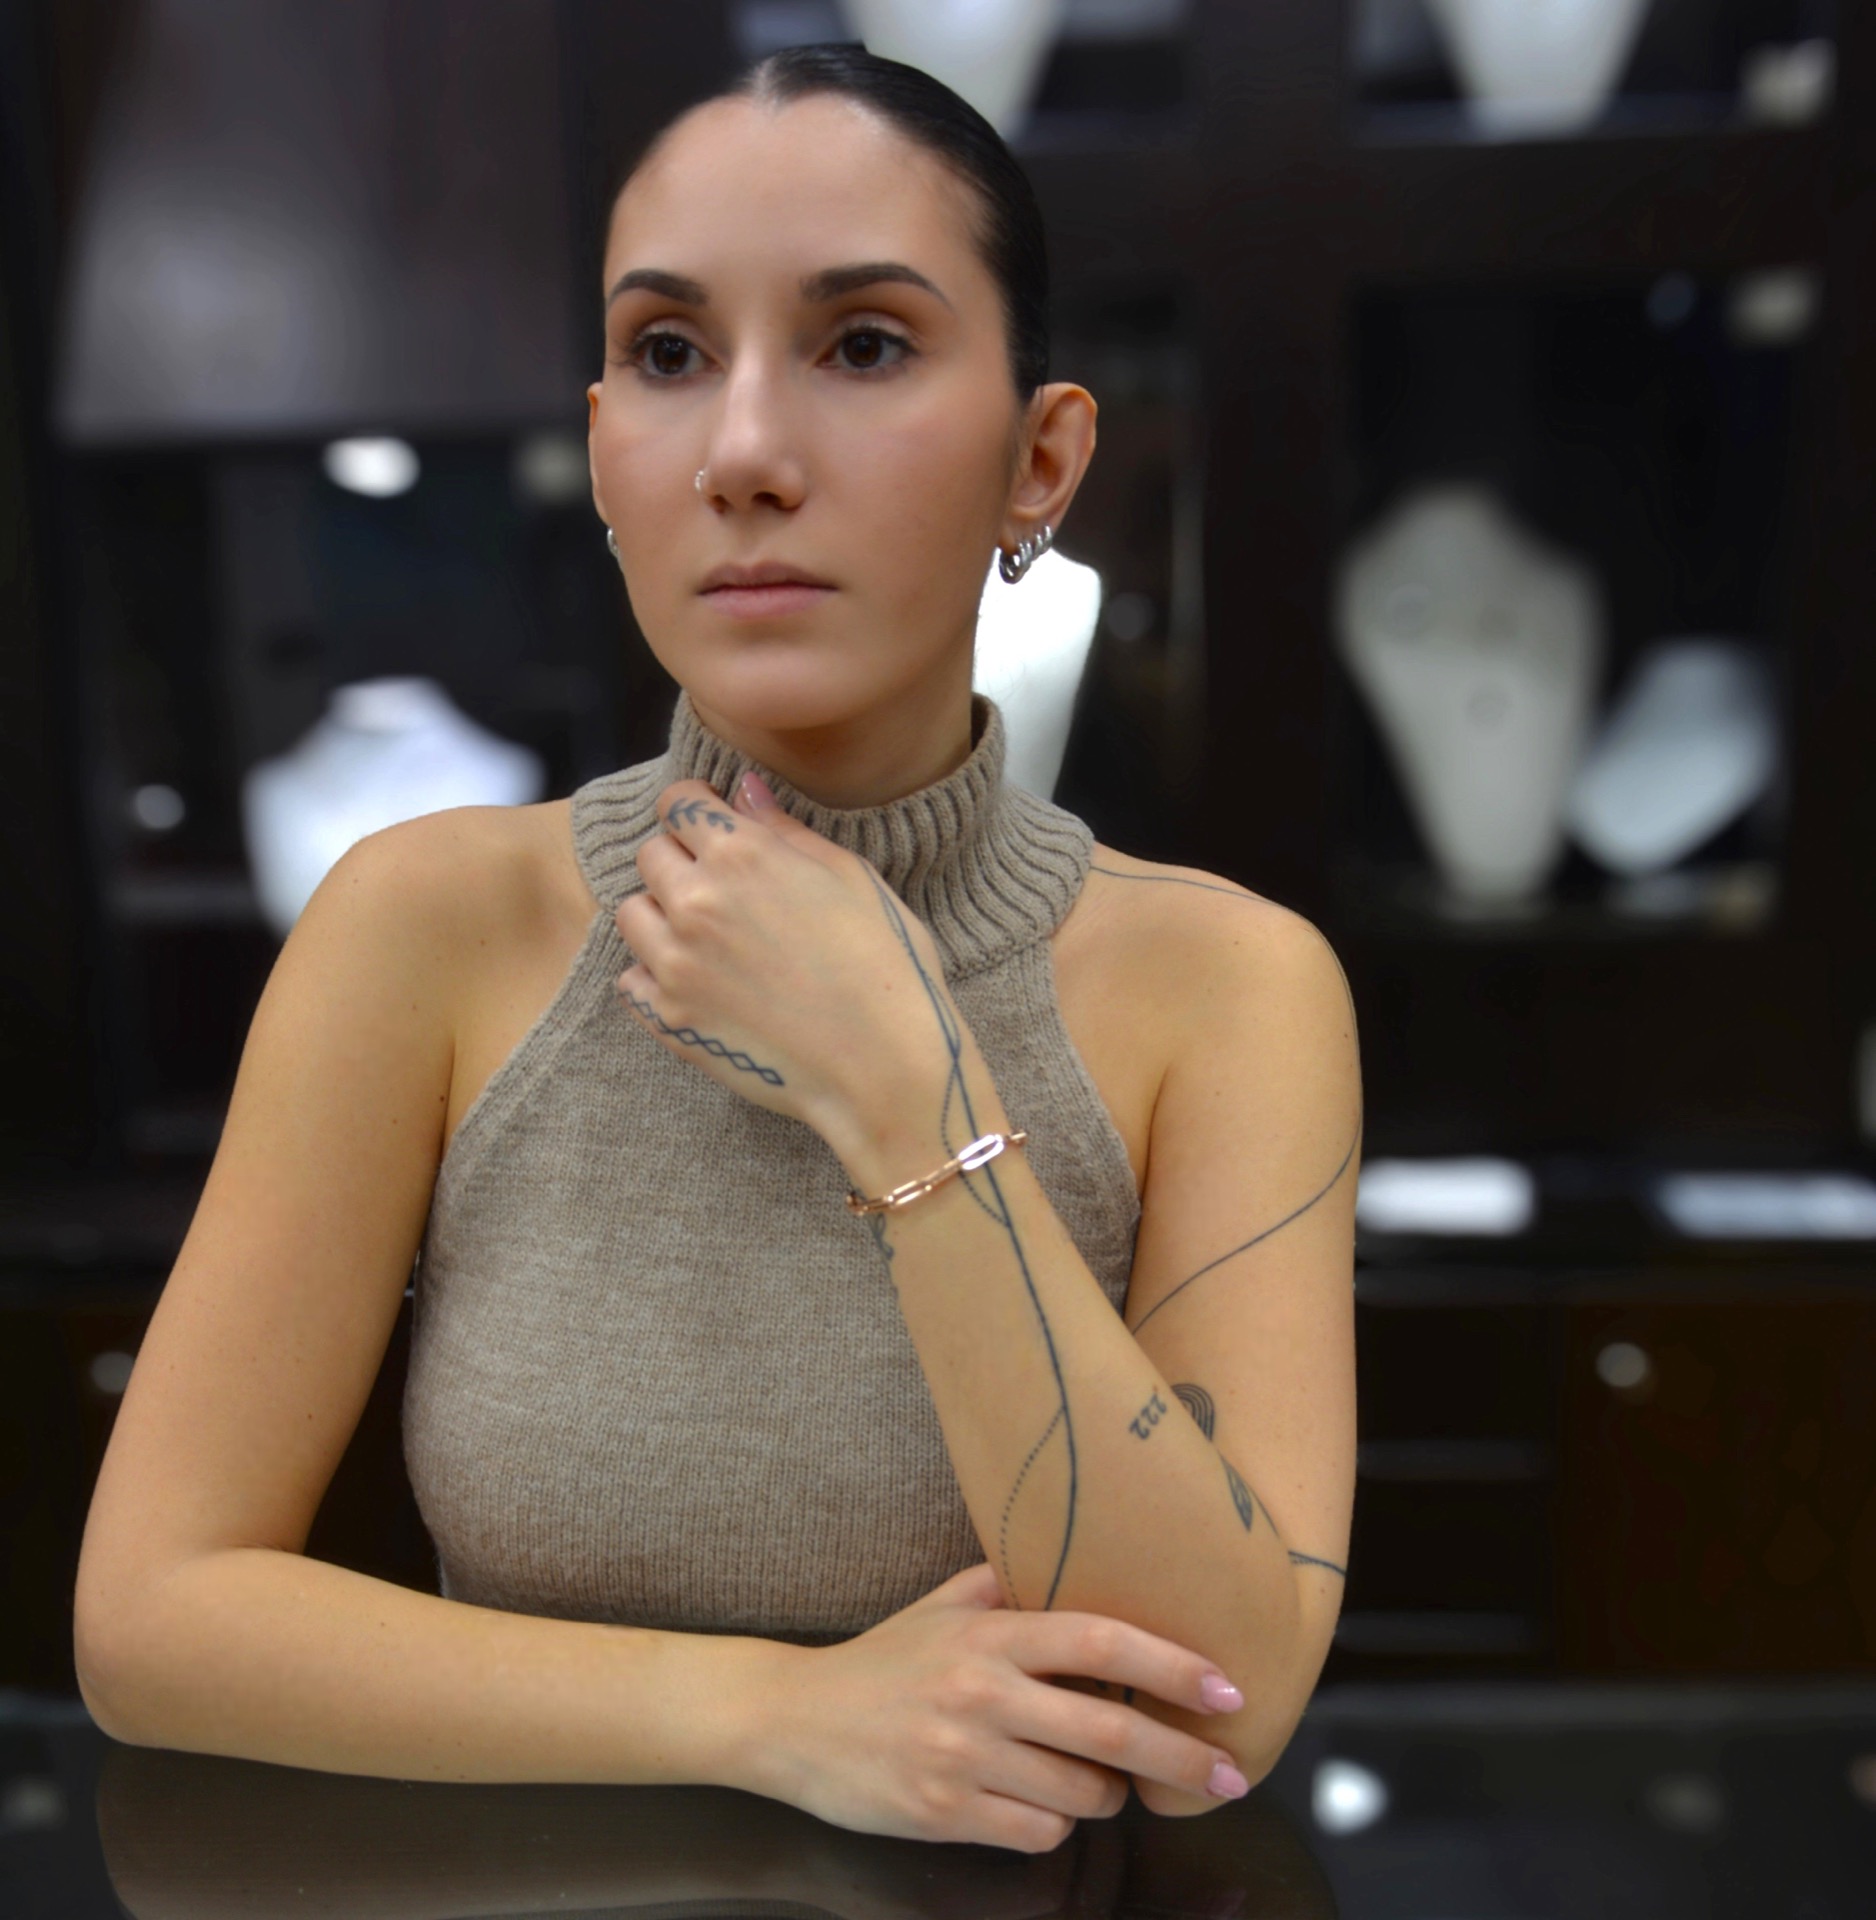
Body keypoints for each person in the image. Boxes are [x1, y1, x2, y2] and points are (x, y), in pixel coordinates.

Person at [73, 43, 1360, 1854]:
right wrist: (772, 1714)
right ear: (606, 446)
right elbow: (152, 1620)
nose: (745, 454)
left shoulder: (1225, 990)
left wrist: (910, 1097)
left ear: (1043, 457)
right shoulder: (424, 927)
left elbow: (1214, 1709)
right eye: (670, 355)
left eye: (865, 345)